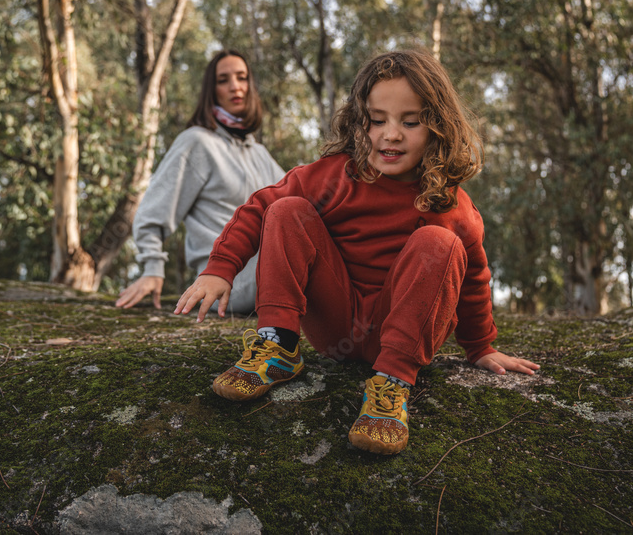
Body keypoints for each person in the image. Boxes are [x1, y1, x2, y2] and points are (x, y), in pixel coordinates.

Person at [172, 49, 540, 455]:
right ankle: (277, 346)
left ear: (437, 127)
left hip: (401, 334)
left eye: (410, 122)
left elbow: (472, 279)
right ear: (357, 122)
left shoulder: (451, 203)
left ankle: (392, 385)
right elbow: (257, 209)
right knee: (286, 209)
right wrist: (220, 268)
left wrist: (481, 346)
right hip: (336, 326)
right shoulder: (334, 176)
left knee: (441, 244)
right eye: (377, 120)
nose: (391, 134)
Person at [115, 50, 285, 314]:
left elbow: (300, 198)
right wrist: (152, 269)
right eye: (223, 80)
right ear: (211, 90)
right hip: (228, 284)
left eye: (241, 77)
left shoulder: (260, 154)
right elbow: (152, 211)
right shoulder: (197, 142)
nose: (234, 86)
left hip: (267, 275)